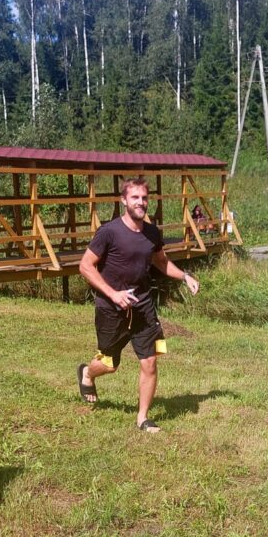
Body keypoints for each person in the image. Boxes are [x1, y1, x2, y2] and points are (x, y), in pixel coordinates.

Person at [76, 177, 200, 432]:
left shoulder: (152, 233)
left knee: (150, 361)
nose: (140, 202)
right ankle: (87, 372)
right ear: (124, 200)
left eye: (144, 198)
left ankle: (142, 418)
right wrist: (113, 294)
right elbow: (85, 266)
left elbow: (161, 262)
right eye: (135, 197)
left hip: (143, 306)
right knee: (109, 364)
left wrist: (184, 276)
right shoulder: (109, 232)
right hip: (112, 308)